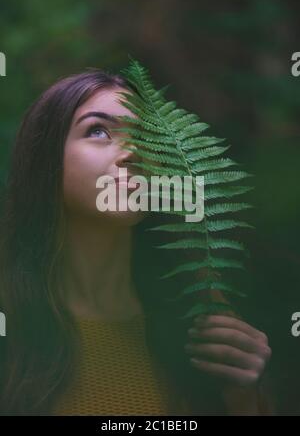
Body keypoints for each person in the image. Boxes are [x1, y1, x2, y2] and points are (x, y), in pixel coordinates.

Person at [0, 70, 272, 416]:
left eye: (145, 137)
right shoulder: (11, 318)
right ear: (46, 161)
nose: (132, 152)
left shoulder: (196, 313)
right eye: (98, 130)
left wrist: (244, 397)